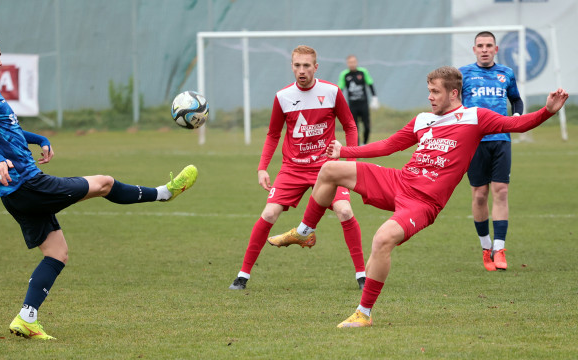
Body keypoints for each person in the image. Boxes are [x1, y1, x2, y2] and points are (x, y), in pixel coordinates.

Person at [270, 66, 568, 328]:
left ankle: (363, 313)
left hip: (423, 202)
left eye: (435, 92)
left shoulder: (476, 117)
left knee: (382, 238)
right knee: (331, 169)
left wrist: (548, 112)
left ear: (454, 93)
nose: (430, 97)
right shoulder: (423, 119)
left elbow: (516, 124)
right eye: (428, 91)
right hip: (398, 181)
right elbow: (388, 146)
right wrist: (345, 152)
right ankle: (305, 232)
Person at [0, 34, 198, 340]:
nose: (0, 61)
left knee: (57, 253)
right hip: (30, 184)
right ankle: (164, 193)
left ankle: (27, 318)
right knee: (105, 183)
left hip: (14, 195)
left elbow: (7, 129)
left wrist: (39, 139)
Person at [228, 45, 366, 291]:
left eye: (306, 65)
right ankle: (242, 276)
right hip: (292, 169)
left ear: (316, 67)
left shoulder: (332, 92)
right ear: (292, 66)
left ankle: (362, 276)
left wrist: (350, 162)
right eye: (297, 65)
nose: (301, 71)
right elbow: (272, 135)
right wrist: (262, 168)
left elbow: (350, 126)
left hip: (327, 168)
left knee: (344, 211)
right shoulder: (283, 97)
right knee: (269, 214)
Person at [459, 31, 524, 271]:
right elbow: (452, 103)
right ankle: (486, 248)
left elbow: (516, 100)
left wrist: (516, 117)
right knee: (479, 195)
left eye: (489, 45)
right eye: (480, 46)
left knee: (501, 191)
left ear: (496, 49)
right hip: (474, 141)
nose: (484, 49)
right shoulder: (462, 74)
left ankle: (500, 248)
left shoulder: (506, 73)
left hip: (501, 139)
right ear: (474, 49)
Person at [338, 55, 379, 145]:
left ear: (356, 62)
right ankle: (357, 147)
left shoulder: (363, 72)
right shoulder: (344, 74)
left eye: (353, 62)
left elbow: (370, 84)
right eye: (350, 62)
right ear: (347, 64)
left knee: (367, 126)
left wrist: (374, 98)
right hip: (352, 106)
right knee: (354, 127)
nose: (352, 64)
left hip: (363, 104)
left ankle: (364, 143)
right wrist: (339, 103)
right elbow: (340, 89)